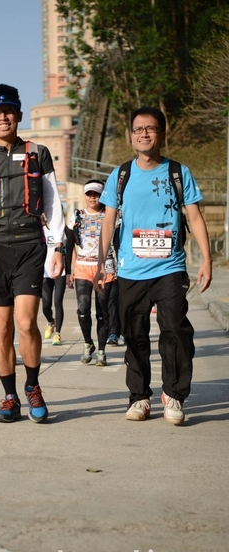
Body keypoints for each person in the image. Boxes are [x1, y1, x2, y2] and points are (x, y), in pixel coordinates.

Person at [95, 106, 212, 426]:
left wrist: (207, 259)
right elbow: (108, 222)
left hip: (169, 268)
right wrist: (102, 263)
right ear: (131, 136)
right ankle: (139, 397)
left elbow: (194, 217)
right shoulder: (121, 175)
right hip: (130, 270)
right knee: (133, 334)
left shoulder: (178, 172)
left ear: (162, 133)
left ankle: (174, 395)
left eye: (150, 128)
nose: (144, 134)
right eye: (138, 129)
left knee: (175, 330)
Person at [0, 84, 65, 424]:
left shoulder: (38, 153)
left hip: (30, 245)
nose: (3, 117)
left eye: (8, 111)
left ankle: (33, 387)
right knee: (2, 327)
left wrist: (57, 246)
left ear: (19, 115)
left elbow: (52, 202)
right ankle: (10, 397)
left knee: (25, 323)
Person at [66, 179, 116, 367]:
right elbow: (69, 244)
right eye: (89, 194)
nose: (92, 198)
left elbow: (118, 242)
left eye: (96, 194)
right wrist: (68, 271)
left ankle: (101, 351)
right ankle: (88, 343)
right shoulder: (77, 216)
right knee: (83, 309)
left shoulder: (111, 215)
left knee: (102, 311)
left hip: (105, 268)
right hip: (82, 267)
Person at [42, 221, 69, 346]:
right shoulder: (41, 230)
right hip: (45, 272)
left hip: (60, 271)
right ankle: (50, 322)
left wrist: (69, 272)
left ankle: (57, 333)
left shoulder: (62, 231)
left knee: (58, 302)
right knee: (46, 305)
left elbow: (68, 251)